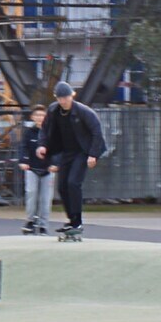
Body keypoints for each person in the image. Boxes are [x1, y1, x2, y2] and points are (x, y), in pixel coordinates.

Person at [36, 82, 106, 235]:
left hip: (82, 151)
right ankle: (72, 220)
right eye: (60, 99)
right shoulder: (54, 110)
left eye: (66, 98)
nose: (63, 102)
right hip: (66, 152)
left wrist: (93, 154)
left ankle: (78, 222)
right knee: (62, 187)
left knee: (73, 183)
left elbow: (96, 132)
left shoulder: (83, 112)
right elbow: (45, 129)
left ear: (72, 96)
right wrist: (42, 145)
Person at [19, 105, 52, 235]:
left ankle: (43, 225)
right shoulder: (29, 132)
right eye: (37, 115)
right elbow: (23, 147)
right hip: (32, 168)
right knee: (31, 194)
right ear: (32, 117)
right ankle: (30, 221)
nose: (39, 118)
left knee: (45, 199)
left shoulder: (51, 133)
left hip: (47, 170)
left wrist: (55, 163)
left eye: (42, 115)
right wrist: (23, 161)